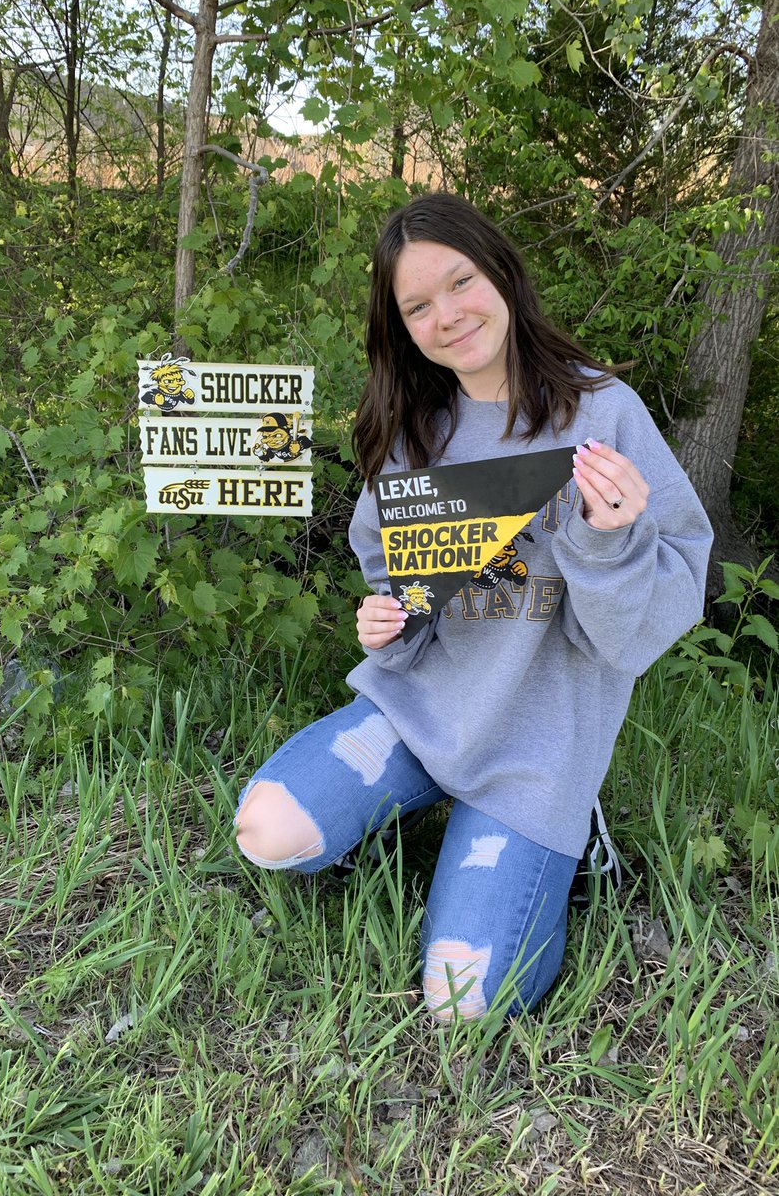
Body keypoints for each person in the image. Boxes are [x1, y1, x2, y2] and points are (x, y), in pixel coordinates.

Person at [234, 192, 713, 1022]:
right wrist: (386, 621)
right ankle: (401, 806)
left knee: (464, 1001)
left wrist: (609, 539)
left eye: (460, 282)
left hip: (538, 746)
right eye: (417, 306)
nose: (447, 315)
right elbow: (395, 579)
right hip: (422, 710)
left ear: (501, 273)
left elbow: (640, 629)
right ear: (400, 327)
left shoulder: (603, 413)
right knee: (267, 831)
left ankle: (568, 835)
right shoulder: (414, 425)